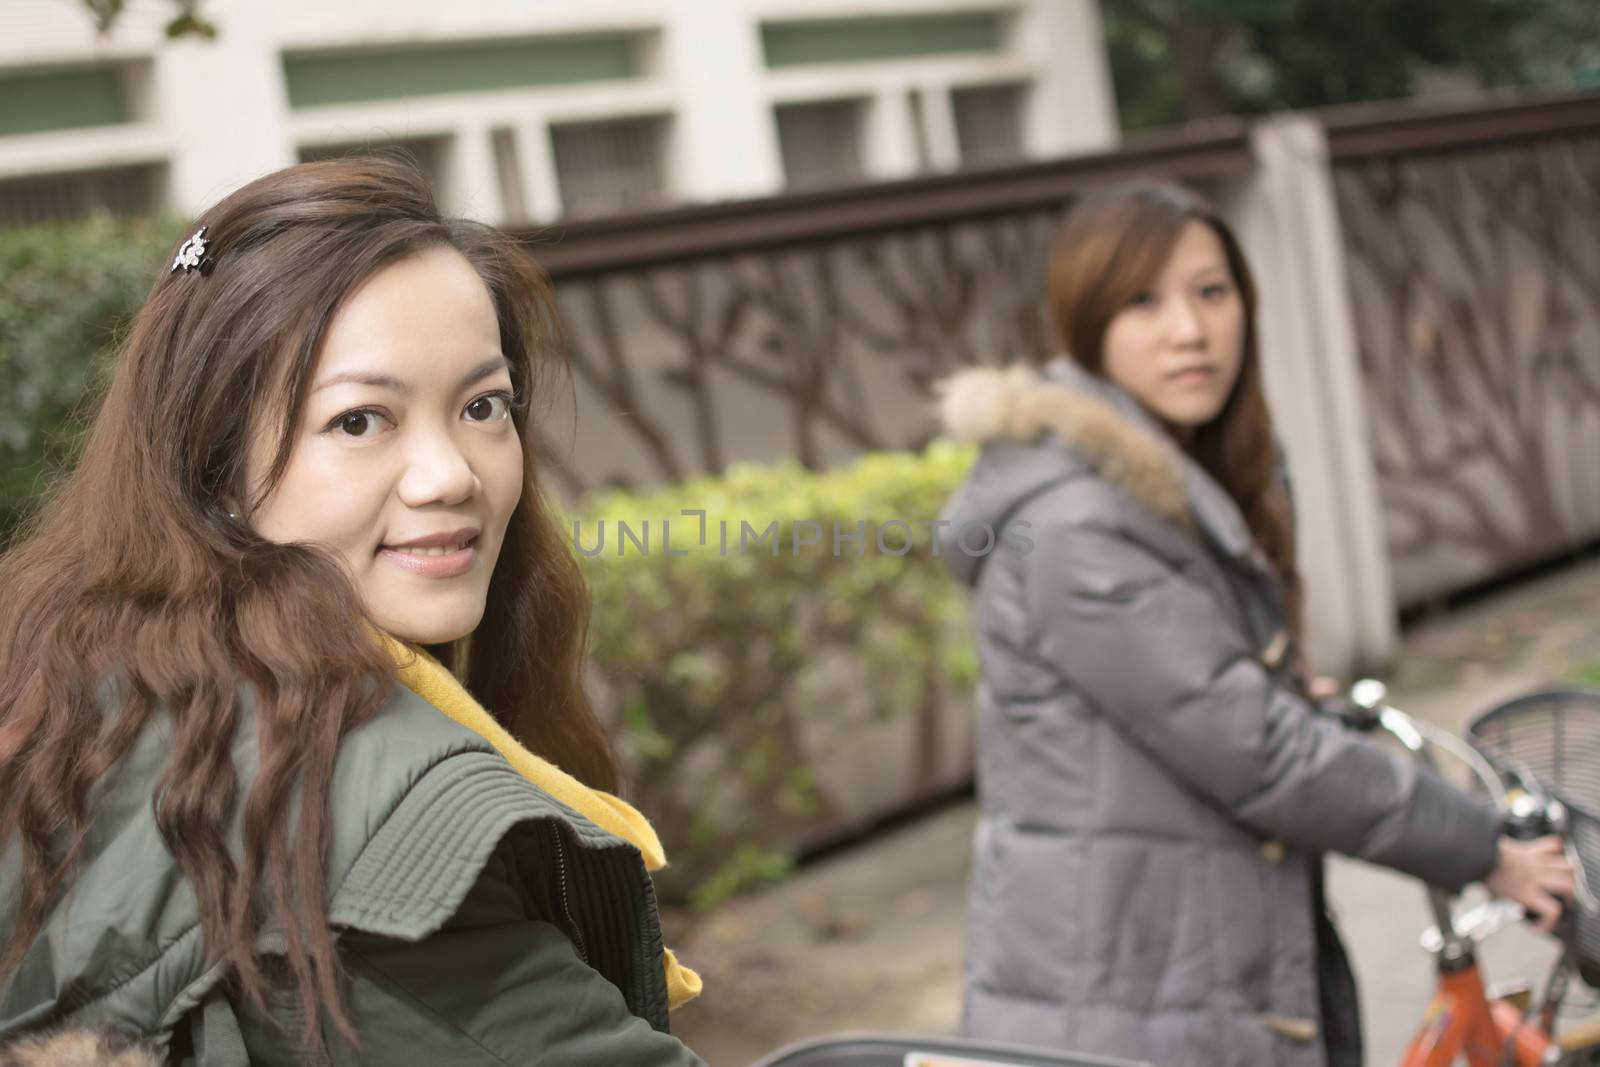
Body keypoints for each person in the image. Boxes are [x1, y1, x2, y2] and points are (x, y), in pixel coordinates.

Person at [0, 158, 705, 1066]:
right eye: (360, 420)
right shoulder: (350, 816)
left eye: (483, 405)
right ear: (212, 462)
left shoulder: (89, 683)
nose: (451, 474)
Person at [934, 179, 1574, 1067]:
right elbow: (1260, 752)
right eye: (1143, 300)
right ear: (1087, 322)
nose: (1190, 330)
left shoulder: (1177, 483)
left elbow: (1202, 694)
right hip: (1127, 1004)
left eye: (1211, 291)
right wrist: (1480, 846)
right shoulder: (1079, 523)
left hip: (1179, 969)